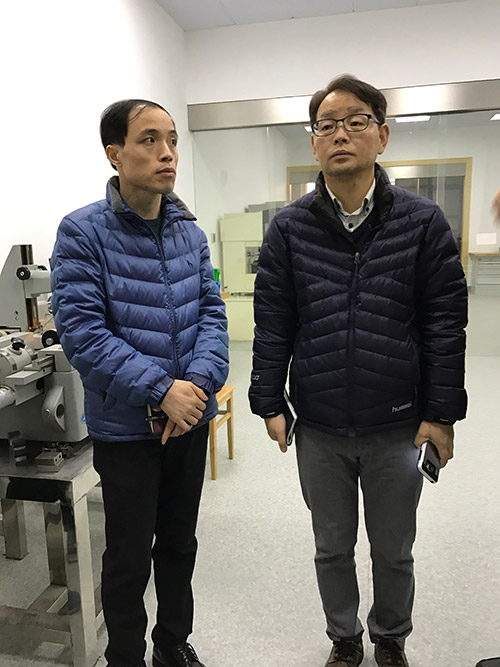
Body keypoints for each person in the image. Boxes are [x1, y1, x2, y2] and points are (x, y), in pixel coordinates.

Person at [249, 75, 467, 667]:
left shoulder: (422, 222)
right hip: (319, 425)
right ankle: (344, 639)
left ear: (382, 135)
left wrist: (441, 415)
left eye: (355, 122)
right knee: (331, 547)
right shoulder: (289, 227)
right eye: (327, 126)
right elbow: (274, 320)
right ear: (314, 144)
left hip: (398, 423)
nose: (340, 135)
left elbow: (445, 325)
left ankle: (390, 639)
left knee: (393, 550)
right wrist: (268, 401)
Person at [51, 99, 229, 667]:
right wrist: (161, 390)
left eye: (171, 139)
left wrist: (194, 388)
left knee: (179, 543)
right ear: (115, 153)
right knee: (129, 555)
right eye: (149, 139)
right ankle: (124, 656)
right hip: (128, 430)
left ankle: (172, 644)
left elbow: (213, 316)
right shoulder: (82, 232)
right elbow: (83, 335)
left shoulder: (188, 232)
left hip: (188, 421)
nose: (167, 152)